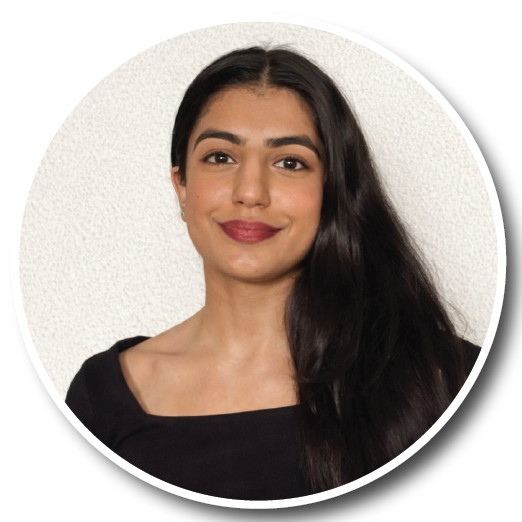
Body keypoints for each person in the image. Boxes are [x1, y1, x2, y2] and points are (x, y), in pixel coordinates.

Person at [66, 46, 480, 500]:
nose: (250, 192)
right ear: (181, 186)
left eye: (290, 162)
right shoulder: (102, 397)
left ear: (331, 191)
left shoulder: (446, 380)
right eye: (220, 157)